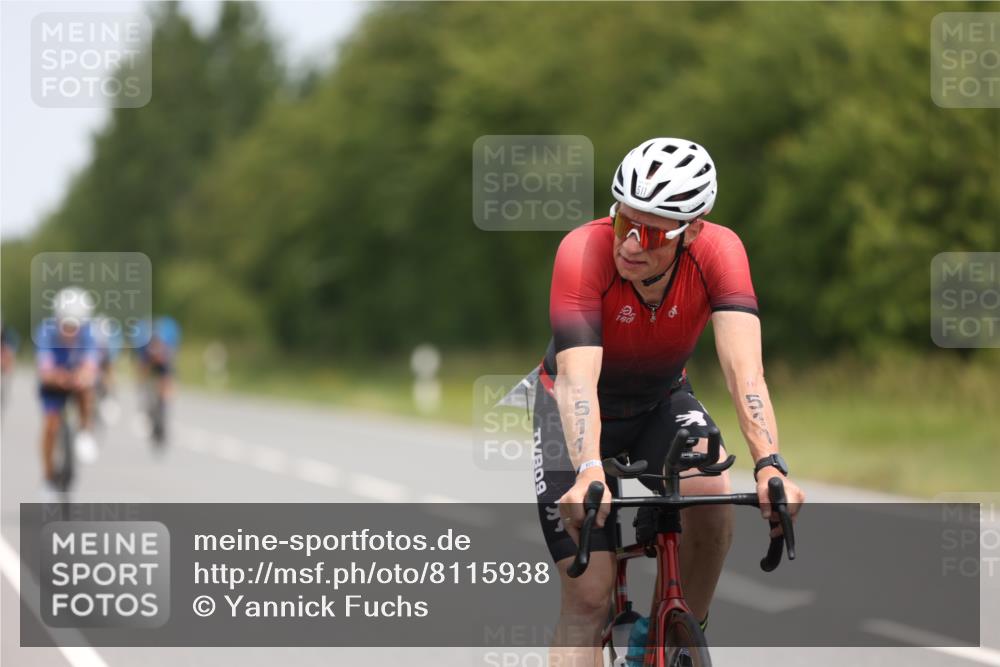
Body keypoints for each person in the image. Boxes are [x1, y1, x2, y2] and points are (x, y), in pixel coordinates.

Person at [532, 137, 806, 665]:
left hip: (660, 399)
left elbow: (745, 371)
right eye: (623, 223)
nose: (630, 244)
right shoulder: (583, 253)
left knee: (711, 488)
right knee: (588, 600)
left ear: (693, 229)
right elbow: (577, 380)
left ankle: (673, 640)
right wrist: (590, 469)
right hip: (572, 408)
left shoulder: (720, 252)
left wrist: (770, 464)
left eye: (652, 231)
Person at [36, 287, 101, 495]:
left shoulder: (89, 333)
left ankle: (84, 430)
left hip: (75, 380)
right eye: (66, 325)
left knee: (87, 390)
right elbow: (44, 369)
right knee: (50, 426)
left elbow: (91, 364)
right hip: (53, 383)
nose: (70, 331)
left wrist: (82, 376)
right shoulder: (45, 332)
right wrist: (57, 377)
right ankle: (47, 478)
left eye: (75, 327)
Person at [134, 316, 181, 445]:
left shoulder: (167, 347)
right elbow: (141, 369)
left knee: (166, 384)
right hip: (147, 363)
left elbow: (169, 371)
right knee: (144, 382)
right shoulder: (143, 347)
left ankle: (164, 407)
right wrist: (141, 386)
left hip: (164, 364)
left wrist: (168, 390)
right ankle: (147, 410)